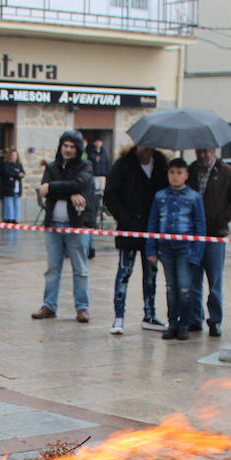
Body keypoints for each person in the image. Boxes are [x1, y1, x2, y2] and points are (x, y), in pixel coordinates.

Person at [103, 143, 168, 334]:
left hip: (152, 230)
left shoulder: (161, 165)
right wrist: (124, 218)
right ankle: (119, 316)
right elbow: (110, 195)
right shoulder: (123, 165)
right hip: (129, 229)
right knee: (124, 272)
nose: (147, 150)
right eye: (144, 146)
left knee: (151, 274)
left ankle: (150, 314)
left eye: (150, 146)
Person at [30, 130, 95, 322]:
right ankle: (49, 305)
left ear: (78, 149)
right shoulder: (51, 166)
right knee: (52, 268)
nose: (68, 149)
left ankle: (82, 308)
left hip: (76, 225)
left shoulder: (86, 166)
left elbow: (80, 184)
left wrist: (53, 188)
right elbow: (43, 189)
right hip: (54, 225)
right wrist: (69, 191)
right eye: (65, 145)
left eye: (72, 146)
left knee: (80, 269)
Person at [144, 158, 206, 341]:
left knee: (185, 287)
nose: (175, 176)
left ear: (186, 175)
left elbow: (200, 227)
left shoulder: (194, 197)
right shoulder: (160, 196)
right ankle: (172, 323)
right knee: (171, 287)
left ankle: (184, 324)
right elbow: (153, 223)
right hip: (165, 247)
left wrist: (196, 253)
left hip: (185, 248)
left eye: (179, 173)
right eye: (172, 172)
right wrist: (151, 248)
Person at [187, 145, 231, 337]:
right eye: (199, 151)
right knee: (193, 280)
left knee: (215, 281)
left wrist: (222, 218)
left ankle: (215, 320)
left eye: (206, 151)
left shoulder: (226, 171)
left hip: (215, 234)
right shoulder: (191, 170)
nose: (202, 154)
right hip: (194, 235)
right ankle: (195, 319)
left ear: (214, 150)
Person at [0, 148, 25, 223]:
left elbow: (22, 173)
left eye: (15, 155)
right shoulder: (6, 164)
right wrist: (17, 174)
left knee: (17, 204)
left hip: (17, 188)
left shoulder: (19, 165)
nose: (14, 157)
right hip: (8, 188)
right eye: (13, 155)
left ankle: (15, 219)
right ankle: (9, 219)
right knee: (9, 204)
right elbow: (7, 173)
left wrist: (15, 175)